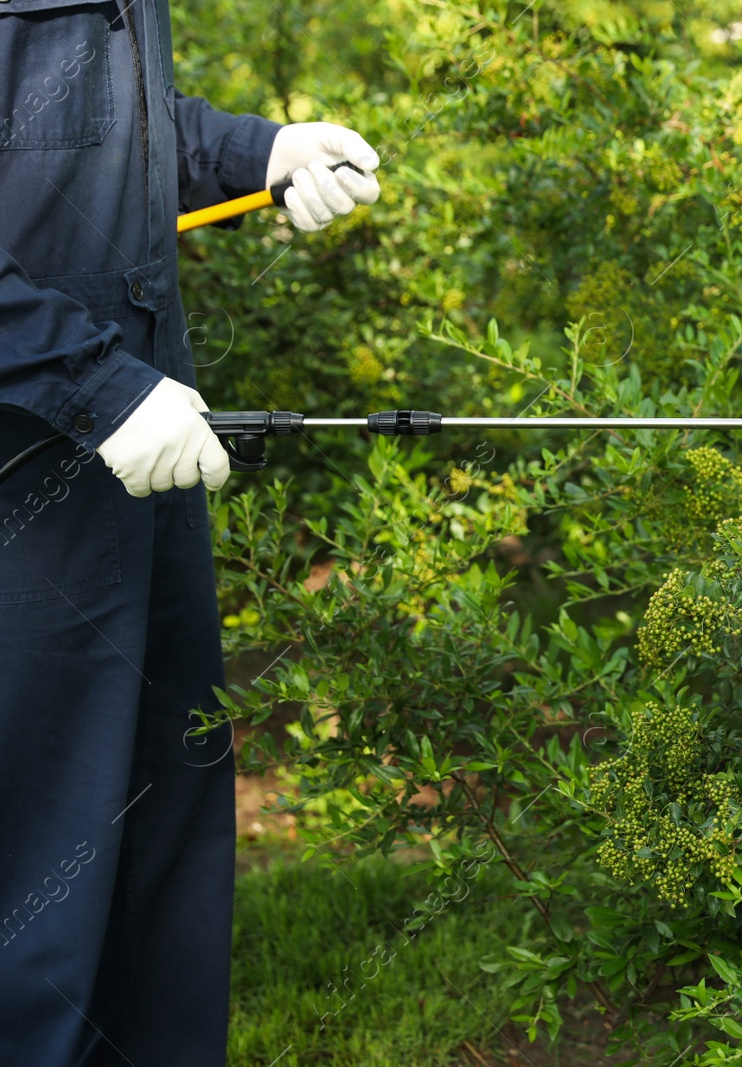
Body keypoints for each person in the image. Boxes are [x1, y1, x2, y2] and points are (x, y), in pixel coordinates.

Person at [0, 3, 379, 1063]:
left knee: (157, 846)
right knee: (35, 867)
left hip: (138, 453)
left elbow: (86, 125)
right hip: (28, 469)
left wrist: (256, 151)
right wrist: (88, 386)